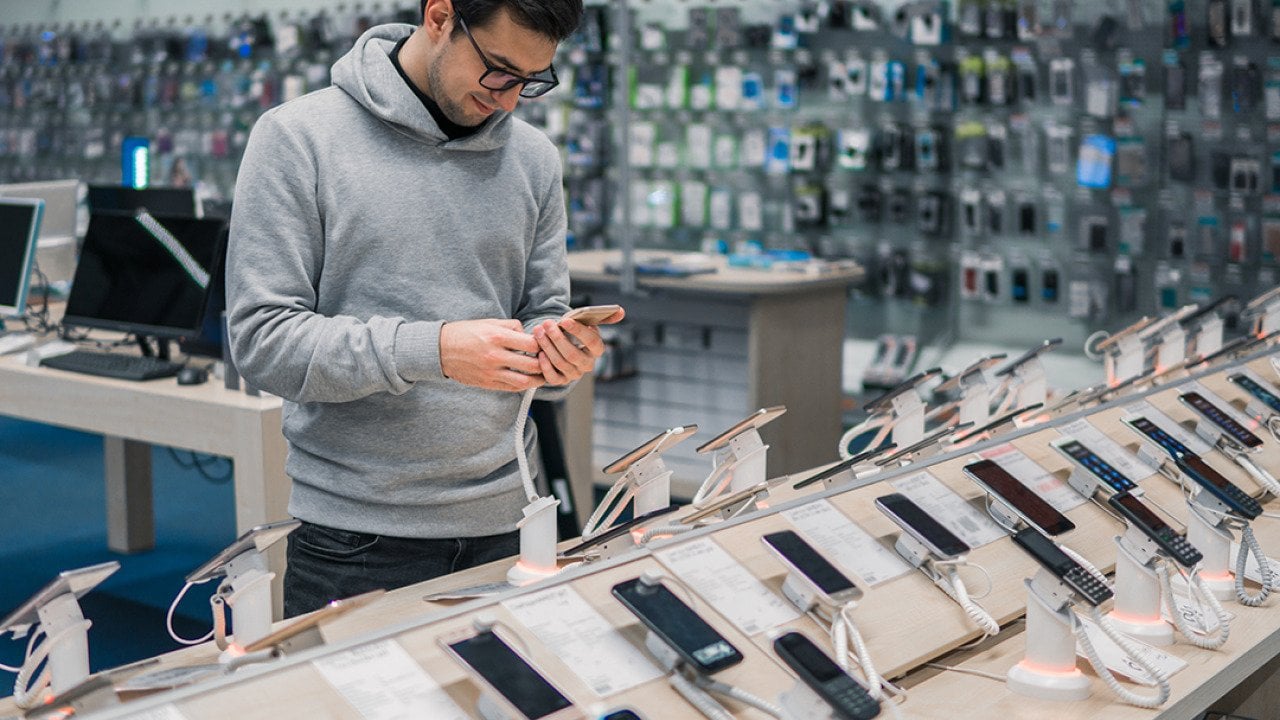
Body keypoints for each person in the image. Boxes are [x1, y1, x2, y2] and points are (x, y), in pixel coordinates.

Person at [226, 0, 619, 617]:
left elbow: (542, 309)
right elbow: (262, 343)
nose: (510, 99)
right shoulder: (296, 138)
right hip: (355, 539)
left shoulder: (534, 158)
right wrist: (433, 351)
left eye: (531, 81)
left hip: (512, 521)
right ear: (440, 16)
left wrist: (557, 352)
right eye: (498, 70)